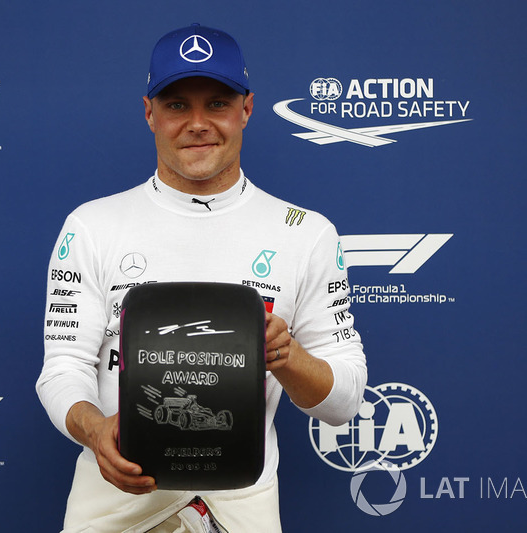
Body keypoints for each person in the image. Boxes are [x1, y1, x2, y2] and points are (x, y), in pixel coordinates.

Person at [37, 23, 367, 533]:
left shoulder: (306, 233)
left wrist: (285, 356)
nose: (197, 123)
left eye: (217, 103)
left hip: (243, 510)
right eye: (175, 105)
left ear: (247, 110)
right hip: (112, 511)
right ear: (149, 113)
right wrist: (96, 429)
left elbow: (345, 401)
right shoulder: (92, 226)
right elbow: (62, 369)